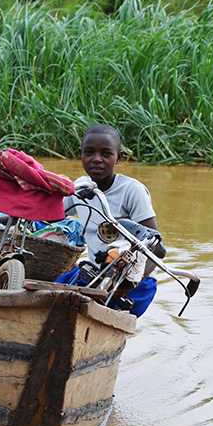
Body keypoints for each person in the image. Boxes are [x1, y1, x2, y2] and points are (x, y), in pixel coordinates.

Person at [61, 124, 158, 315]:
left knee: (104, 313)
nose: (97, 159)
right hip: (96, 273)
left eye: (106, 154)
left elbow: (155, 247)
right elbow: (47, 213)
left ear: (118, 157)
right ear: (81, 154)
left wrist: (129, 283)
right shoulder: (80, 187)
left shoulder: (132, 191)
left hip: (135, 282)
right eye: (89, 153)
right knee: (52, 294)